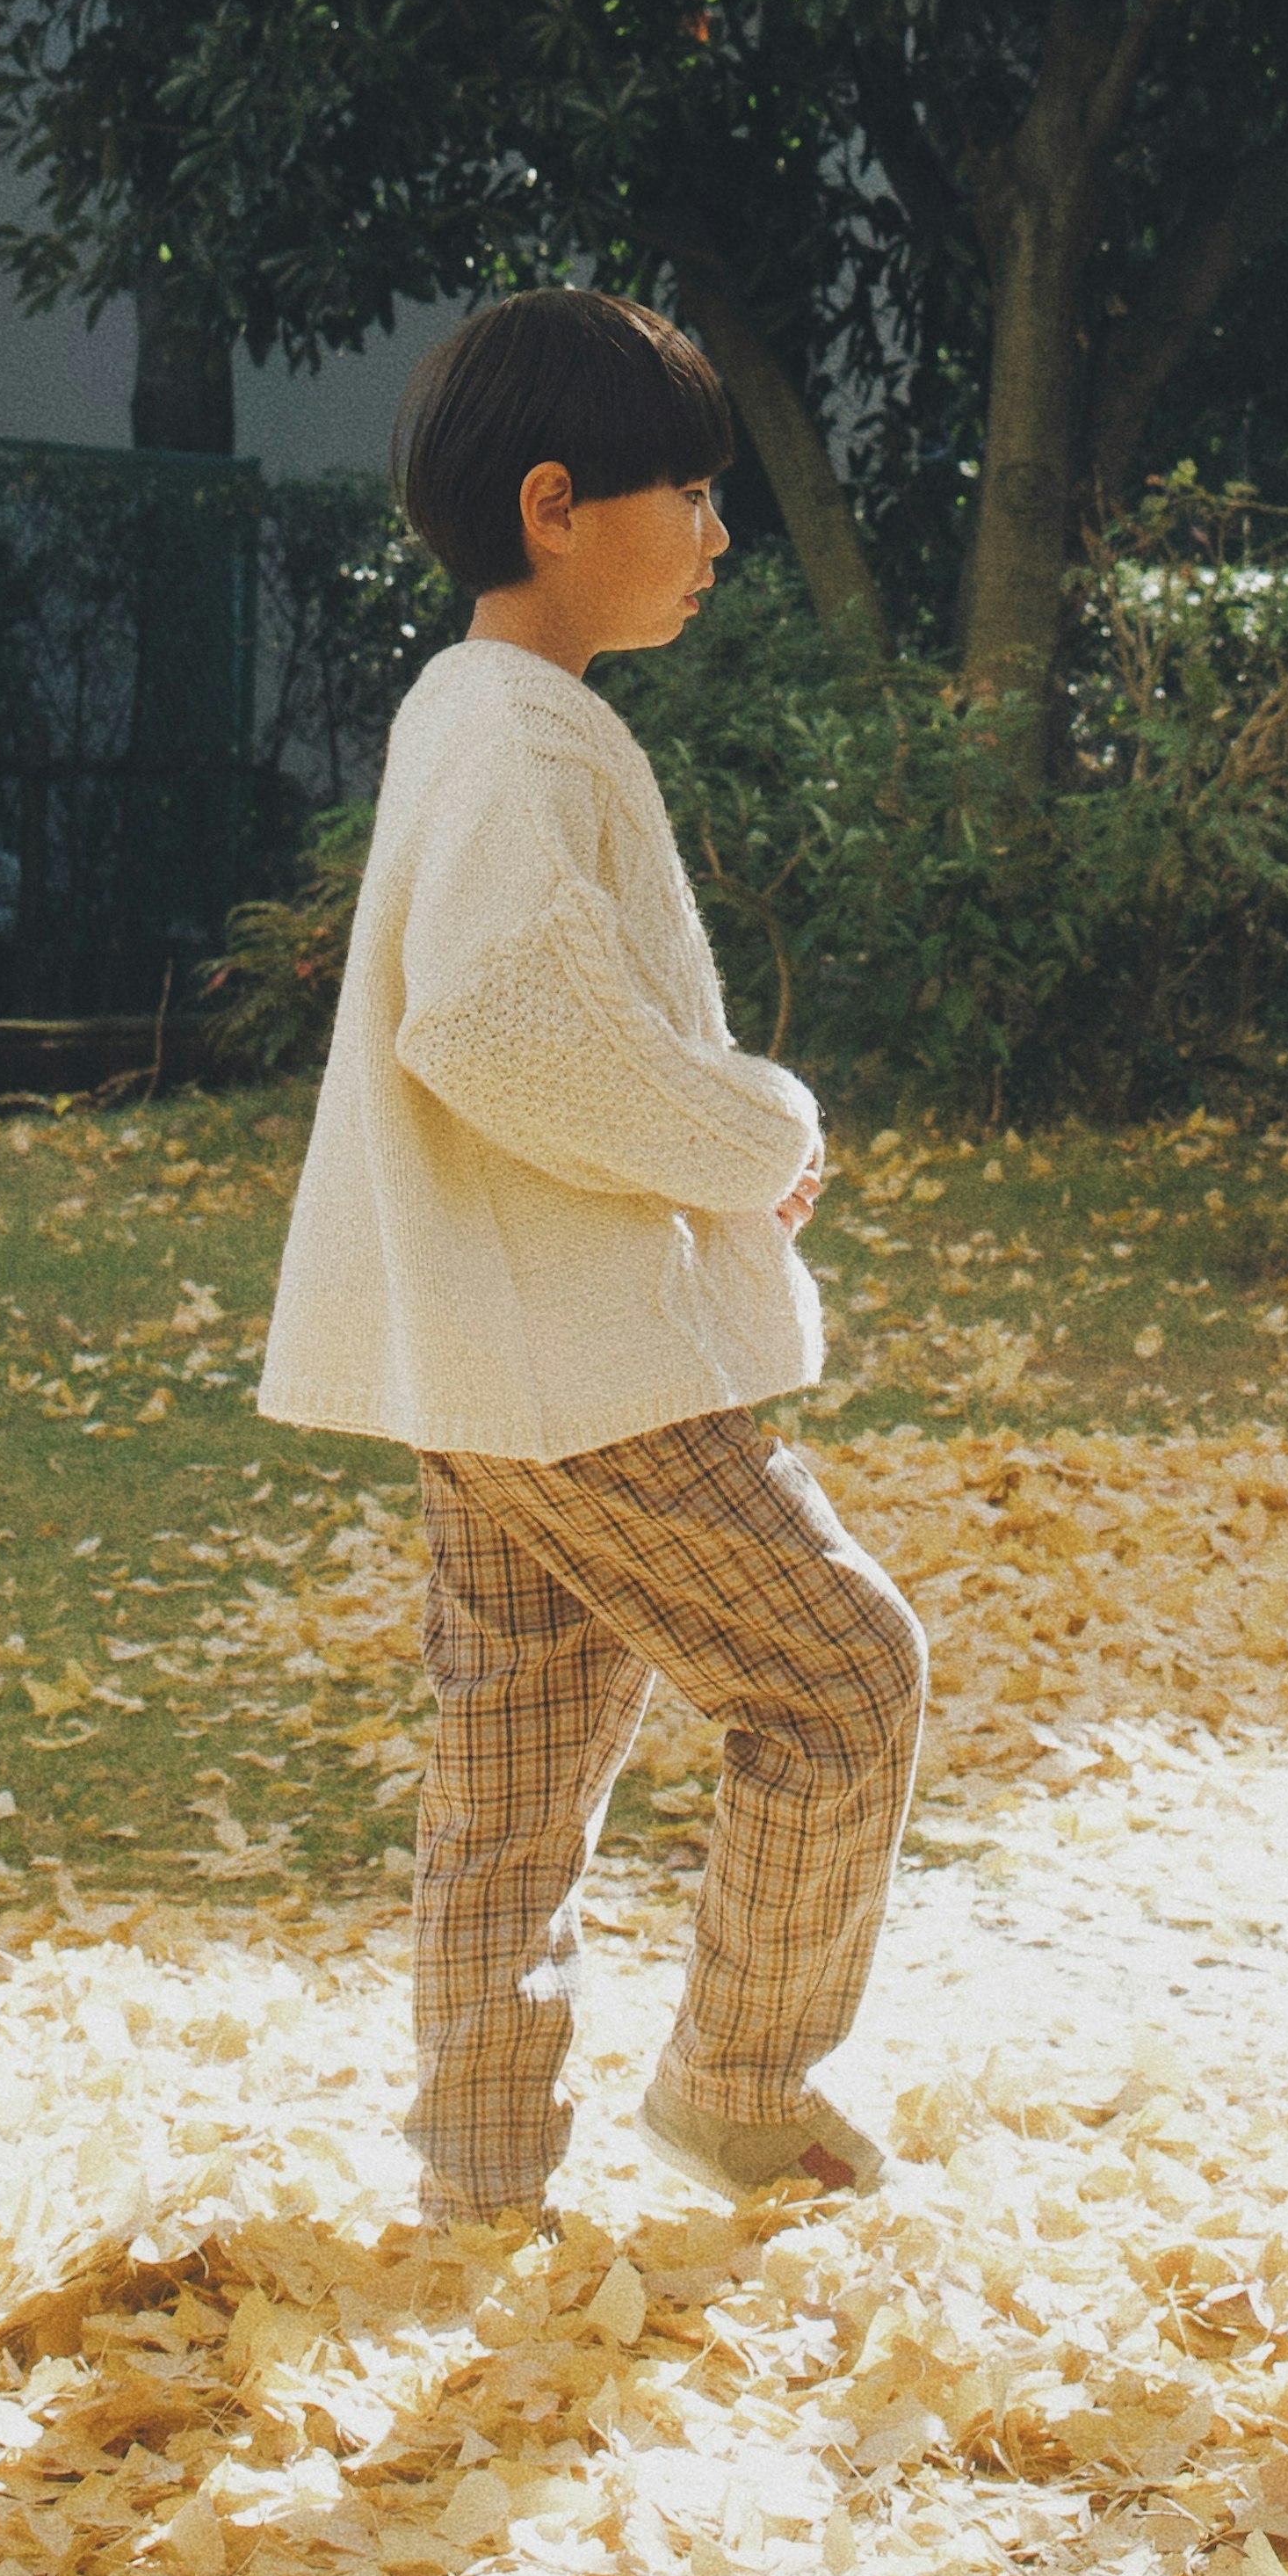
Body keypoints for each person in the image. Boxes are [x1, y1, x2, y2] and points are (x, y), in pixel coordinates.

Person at [258, 286, 927, 2231]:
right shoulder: (521, 736)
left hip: (495, 1354)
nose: (719, 534)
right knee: (844, 1677)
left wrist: (703, 1143)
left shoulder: (485, 713)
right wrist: (756, 1134)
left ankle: (480, 2187)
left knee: (518, 1772)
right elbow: (505, 1023)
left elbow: (515, 1026)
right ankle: (738, 2086)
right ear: (559, 503)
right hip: (570, 1369)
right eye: (689, 493)